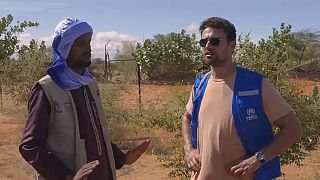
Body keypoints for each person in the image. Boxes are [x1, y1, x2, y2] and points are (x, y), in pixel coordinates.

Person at [19, 17, 150, 180]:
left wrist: (122, 158)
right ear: (65, 47)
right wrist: (66, 176)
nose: (88, 48)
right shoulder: (46, 89)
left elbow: (95, 133)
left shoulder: (89, 84)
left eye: (89, 42)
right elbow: (30, 147)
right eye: (81, 43)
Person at [182, 17, 303, 180]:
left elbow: (293, 129)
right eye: (204, 42)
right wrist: (189, 150)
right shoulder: (200, 85)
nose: (208, 46)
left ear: (232, 46)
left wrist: (258, 159)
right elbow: (187, 118)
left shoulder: (257, 85)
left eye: (215, 41)